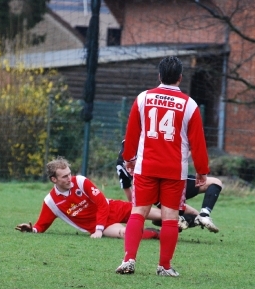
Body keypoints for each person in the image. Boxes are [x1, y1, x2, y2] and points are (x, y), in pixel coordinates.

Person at [116, 56, 210, 277]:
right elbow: (198, 142)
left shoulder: (143, 98)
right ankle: (164, 267)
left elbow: (131, 133)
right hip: (174, 170)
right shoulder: (189, 104)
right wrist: (202, 171)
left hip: (146, 167)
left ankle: (128, 259)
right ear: (180, 77)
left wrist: (129, 158)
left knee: (138, 212)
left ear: (159, 76)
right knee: (169, 217)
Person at [15, 157, 161, 239]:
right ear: (54, 179)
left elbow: (102, 203)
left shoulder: (80, 181)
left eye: (69, 174)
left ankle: (180, 220)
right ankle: (155, 233)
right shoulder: (51, 202)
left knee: (159, 213)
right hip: (105, 226)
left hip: (112, 209)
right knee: (126, 234)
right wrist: (31, 229)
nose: (69, 178)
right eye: (64, 176)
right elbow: (41, 225)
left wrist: (98, 230)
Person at [116, 139, 222, 232]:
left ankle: (178, 220)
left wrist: (136, 216)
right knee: (215, 182)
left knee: (192, 214)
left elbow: (128, 191)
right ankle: (203, 215)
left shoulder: (120, 162)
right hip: (171, 183)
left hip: (154, 195)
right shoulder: (149, 143)